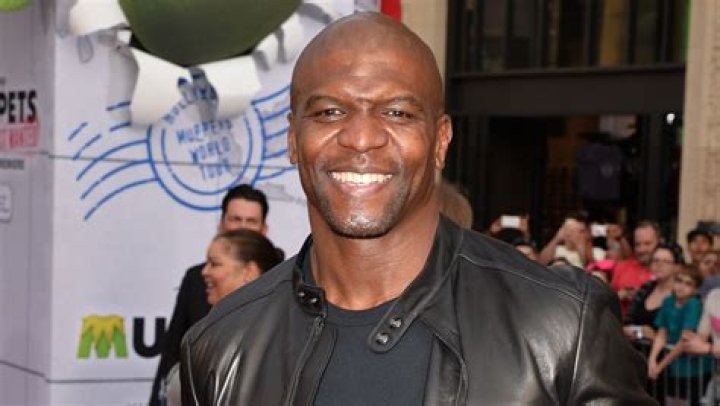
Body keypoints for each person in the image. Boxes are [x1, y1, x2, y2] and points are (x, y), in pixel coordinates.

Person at [180, 12, 654, 404]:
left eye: (397, 113)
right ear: (292, 138)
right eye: (329, 112)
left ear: (441, 140)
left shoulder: (562, 328)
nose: (361, 138)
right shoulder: (221, 347)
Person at [149, 184, 273, 406]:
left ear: (263, 228)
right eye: (235, 219)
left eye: (251, 221)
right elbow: (173, 350)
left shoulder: (286, 283)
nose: (242, 227)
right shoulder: (196, 279)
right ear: (221, 223)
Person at [163, 229, 284, 406]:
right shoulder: (207, 333)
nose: (204, 272)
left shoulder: (276, 334)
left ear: (249, 271)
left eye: (215, 264)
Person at [647, 265, 710, 405]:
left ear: (695, 289)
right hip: (673, 366)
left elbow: (684, 340)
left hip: (694, 369)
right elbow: (662, 333)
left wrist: (660, 366)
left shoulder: (693, 304)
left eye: (688, 284)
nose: (681, 286)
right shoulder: (668, 301)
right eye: (679, 281)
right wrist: (652, 360)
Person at [623, 242, 685, 342]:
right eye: (656, 260)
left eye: (665, 261)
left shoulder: (682, 295)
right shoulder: (646, 287)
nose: (659, 265)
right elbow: (627, 322)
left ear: (677, 266)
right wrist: (639, 332)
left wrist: (654, 337)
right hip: (634, 346)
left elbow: (681, 336)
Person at [611, 221, 662, 315]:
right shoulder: (622, 267)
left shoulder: (665, 271)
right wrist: (620, 295)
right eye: (638, 244)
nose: (642, 249)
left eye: (647, 244)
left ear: (659, 243)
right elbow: (607, 302)